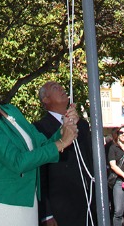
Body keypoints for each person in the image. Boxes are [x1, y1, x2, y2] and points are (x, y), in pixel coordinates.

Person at [0, 64, 78, 225]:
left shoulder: (11, 110)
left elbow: (41, 145)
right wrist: (62, 142)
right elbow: (17, 161)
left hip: (26, 204)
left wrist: (65, 128)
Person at [34, 80, 95, 226]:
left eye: (61, 86)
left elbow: (88, 159)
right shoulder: (39, 128)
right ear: (45, 99)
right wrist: (46, 213)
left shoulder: (82, 124)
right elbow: (40, 171)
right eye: (55, 88)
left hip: (87, 201)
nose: (61, 88)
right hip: (60, 205)